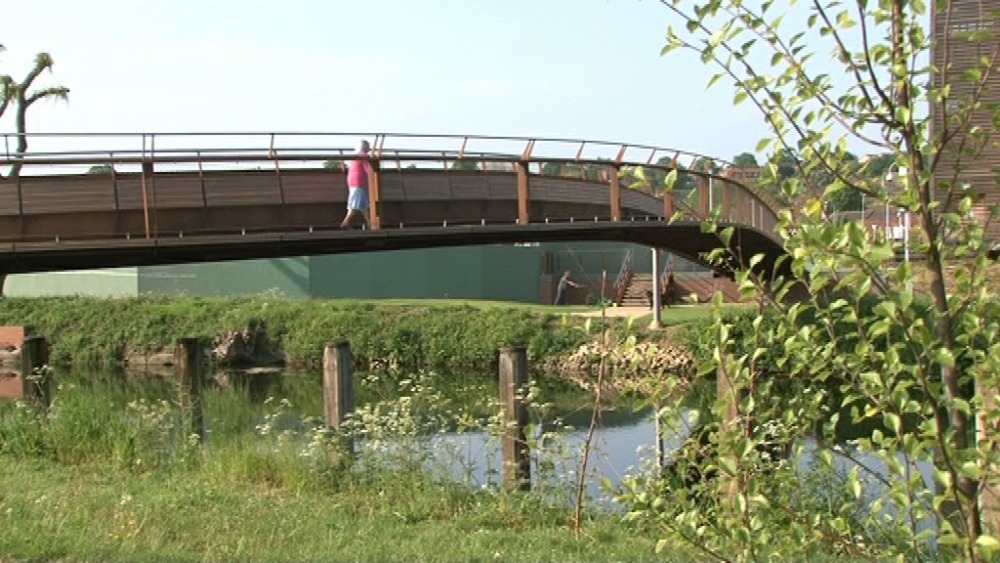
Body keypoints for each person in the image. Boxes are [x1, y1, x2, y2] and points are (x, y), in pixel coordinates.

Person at [340, 139, 371, 229]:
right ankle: (345, 222)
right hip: (359, 181)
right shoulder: (362, 155)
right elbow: (368, 169)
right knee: (356, 203)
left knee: (362, 204)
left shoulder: (354, 156)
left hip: (353, 181)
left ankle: (369, 223)